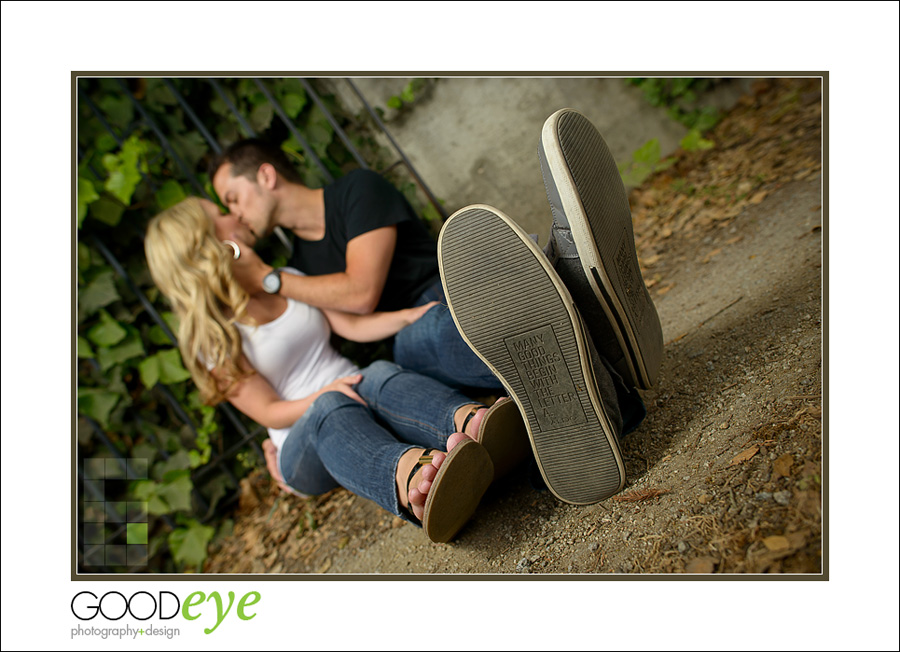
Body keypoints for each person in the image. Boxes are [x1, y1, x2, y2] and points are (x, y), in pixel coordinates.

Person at [143, 197, 528, 543]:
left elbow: (352, 326)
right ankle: (413, 481)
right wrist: (325, 394)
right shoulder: (213, 335)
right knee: (332, 404)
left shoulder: (281, 277)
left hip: (355, 389)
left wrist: (408, 317)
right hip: (302, 440)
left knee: (375, 371)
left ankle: (474, 425)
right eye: (220, 215)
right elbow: (267, 411)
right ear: (209, 245)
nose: (233, 215)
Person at [210, 140, 502, 391]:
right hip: (410, 338)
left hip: (449, 289)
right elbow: (354, 317)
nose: (234, 214)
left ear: (266, 176)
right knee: (434, 330)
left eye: (233, 199)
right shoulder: (299, 270)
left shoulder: (358, 189)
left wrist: (267, 279)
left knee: (459, 311)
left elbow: (361, 291)